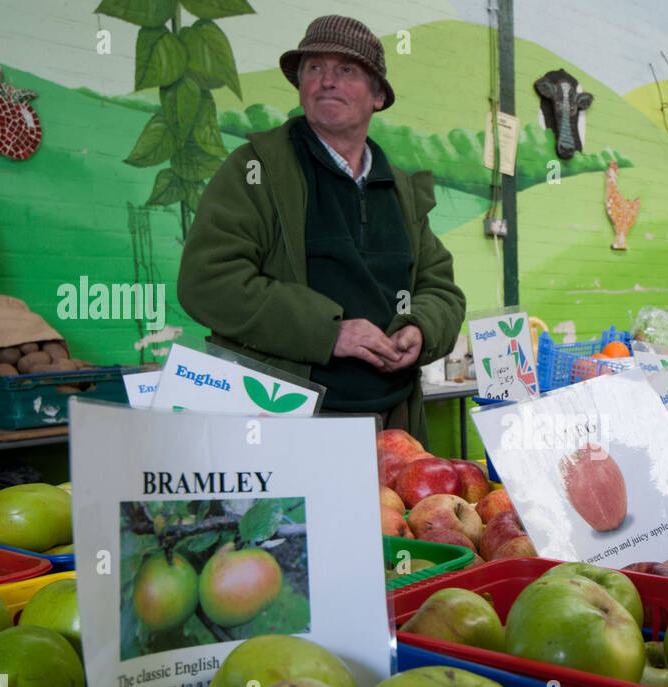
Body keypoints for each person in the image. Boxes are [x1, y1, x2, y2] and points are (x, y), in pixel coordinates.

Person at [177, 15, 466, 443]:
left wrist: (420, 328)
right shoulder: (255, 170)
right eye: (314, 68)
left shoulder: (400, 189)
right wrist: (331, 331)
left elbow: (441, 289)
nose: (327, 81)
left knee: (391, 514)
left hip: (395, 423)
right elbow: (208, 281)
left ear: (379, 97)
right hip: (287, 420)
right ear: (301, 86)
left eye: (346, 70)